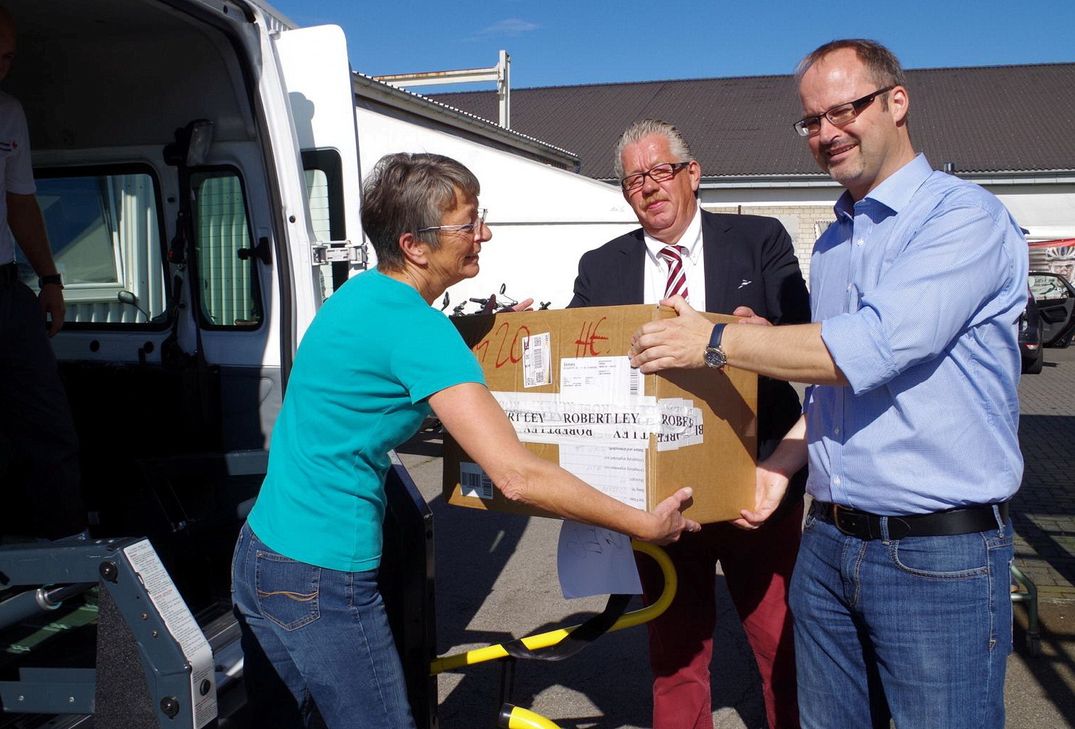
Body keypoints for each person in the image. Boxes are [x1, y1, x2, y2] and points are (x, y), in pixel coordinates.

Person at [629, 40, 1025, 729]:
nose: (825, 133)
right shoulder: (836, 240)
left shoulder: (963, 218)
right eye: (810, 121)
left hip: (936, 553)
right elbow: (832, 391)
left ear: (895, 103)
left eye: (844, 110)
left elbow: (867, 349)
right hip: (829, 543)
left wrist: (715, 339)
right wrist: (781, 467)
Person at [231, 152, 701, 729]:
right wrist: (644, 524)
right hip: (323, 576)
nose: (485, 234)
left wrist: (492, 328)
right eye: (469, 224)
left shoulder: (360, 296)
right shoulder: (420, 331)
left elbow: (387, 359)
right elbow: (516, 476)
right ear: (415, 245)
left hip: (264, 554)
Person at [569, 119, 809, 729]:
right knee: (675, 649)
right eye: (632, 181)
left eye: (658, 172)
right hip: (656, 491)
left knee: (780, 639)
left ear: (691, 174)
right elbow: (575, 353)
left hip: (757, 478)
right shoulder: (602, 267)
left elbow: (811, 338)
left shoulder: (759, 241)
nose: (647, 189)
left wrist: (763, 337)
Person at [0, 5, 83, 540]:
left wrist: (49, 279)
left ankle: (64, 550)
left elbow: (21, 201)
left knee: (44, 418)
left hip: (4, 285)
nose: (1, 68)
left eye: (7, 57)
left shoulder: (8, 112)